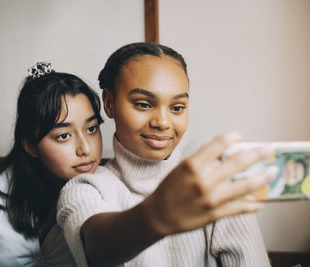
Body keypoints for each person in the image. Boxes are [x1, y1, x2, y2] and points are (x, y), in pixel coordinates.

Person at [57, 43, 278, 266]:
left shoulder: (213, 170)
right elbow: (95, 248)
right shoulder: (86, 188)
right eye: (143, 104)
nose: (162, 122)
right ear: (109, 103)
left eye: (177, 108)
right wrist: (157, 215)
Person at [0, 62, 103, 266]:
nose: (85, 149)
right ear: (30, 145)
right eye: (63, 135)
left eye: (91, 129)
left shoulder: (106, 192)